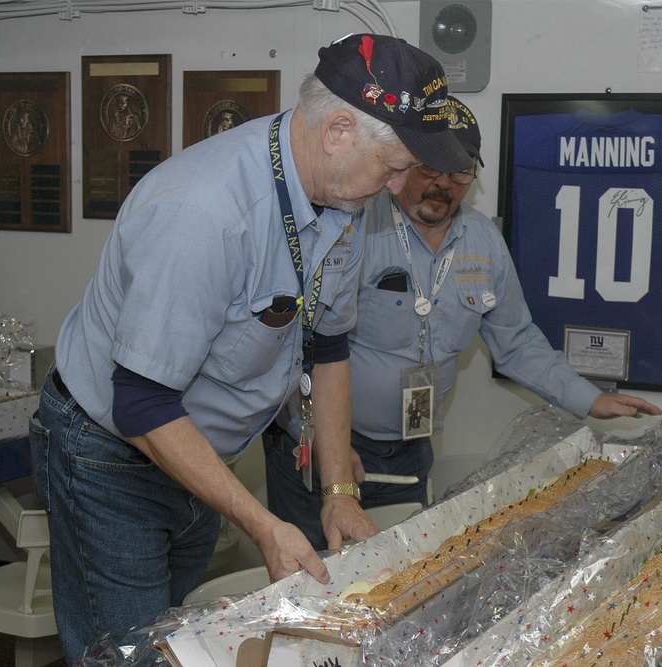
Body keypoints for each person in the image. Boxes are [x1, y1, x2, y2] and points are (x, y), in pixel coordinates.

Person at [29, 33, 472, 662]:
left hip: (197, 454)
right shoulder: (205, 211)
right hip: (110, 452)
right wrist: (262, 524)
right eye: (395, 165)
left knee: (178, 646)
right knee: (129, 655)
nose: (401, 185)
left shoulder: (346, 196)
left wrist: (339, 492)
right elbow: (141, 402)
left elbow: (329, 344)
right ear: (338, 132)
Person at [264, 96, 662, 549]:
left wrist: (590, 398)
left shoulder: (483, 240)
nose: (443, 185)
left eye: (460, 173)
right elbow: (298, 343)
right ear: (402, 163)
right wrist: (321, 442)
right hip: (320, 445)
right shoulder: (354, 223)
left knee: (399, 574)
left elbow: (516, 341)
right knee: (314, 574)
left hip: (410, 450)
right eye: (429, 169)